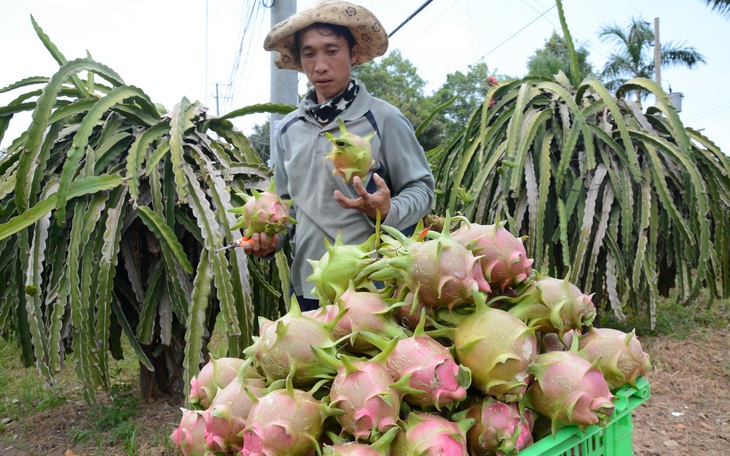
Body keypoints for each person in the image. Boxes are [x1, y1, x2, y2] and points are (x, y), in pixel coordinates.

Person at [245, 0, 435, 311]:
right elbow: (285, 206)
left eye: (331, 51)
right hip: (309, 284)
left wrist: (389, 211)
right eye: (309, 53)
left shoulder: (384, 119)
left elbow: (422, 189)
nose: (320, 65)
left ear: (354, 54)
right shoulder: (289, 129)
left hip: (375, 286)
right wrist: (269, 240)